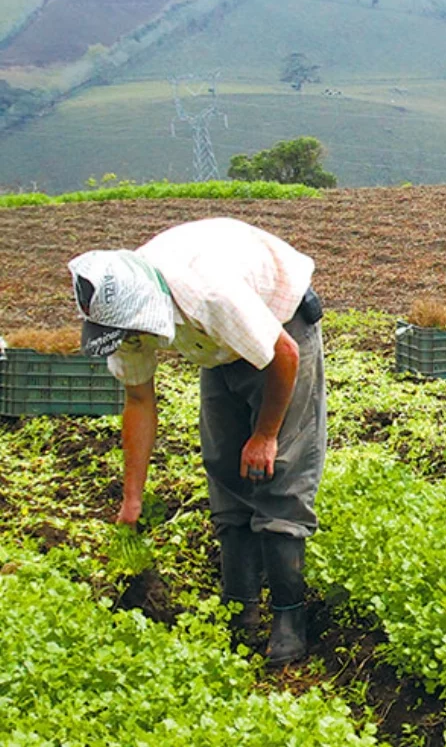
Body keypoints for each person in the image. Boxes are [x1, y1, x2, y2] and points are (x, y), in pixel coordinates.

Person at [69, 217, 326, 665]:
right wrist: (132, 499)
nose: (131, 343)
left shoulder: (208, 294)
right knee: (225, 466)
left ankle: (289, 618)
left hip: (282, 328)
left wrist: (265, 436)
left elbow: (283, 355)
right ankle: (238, 611)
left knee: (278, 470)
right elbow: (138, 398)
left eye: (133, 335)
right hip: (217, 347)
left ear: (145, 314)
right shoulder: (123, 311)